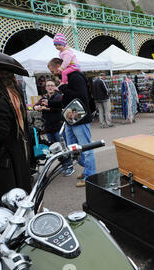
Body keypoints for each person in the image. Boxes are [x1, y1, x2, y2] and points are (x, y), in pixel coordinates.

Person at [48, 57, 96, 188]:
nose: (53, 74)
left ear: (59, 65)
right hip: (71, 119)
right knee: (72, 148)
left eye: (53, 70)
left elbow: (81, 96)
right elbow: (68, 100)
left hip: (79, 118)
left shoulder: (75, 76)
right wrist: (50, 103)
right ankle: (88, 170)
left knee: (86, 148)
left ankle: (90, 176)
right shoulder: (68, 77)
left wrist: (64, 88)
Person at [0, 53, 32, 198]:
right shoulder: (12, 93)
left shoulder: (2, 95)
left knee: (10, 201)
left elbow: (0, 132)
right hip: (18, 153)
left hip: (5, 160)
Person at [34, 80, 74, 176]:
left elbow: (60, 108)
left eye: (52, 85)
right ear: (46, 88)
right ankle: (63, 165)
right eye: (48, 86)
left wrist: (46, 108)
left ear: (55, 87)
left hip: (58, 126)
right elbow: (34, 106)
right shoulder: (44, 98)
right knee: (55, 149)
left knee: (63, 147)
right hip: (48, 127)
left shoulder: (59, 97)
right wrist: (36, 107)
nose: (50, 87)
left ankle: (69, 166)